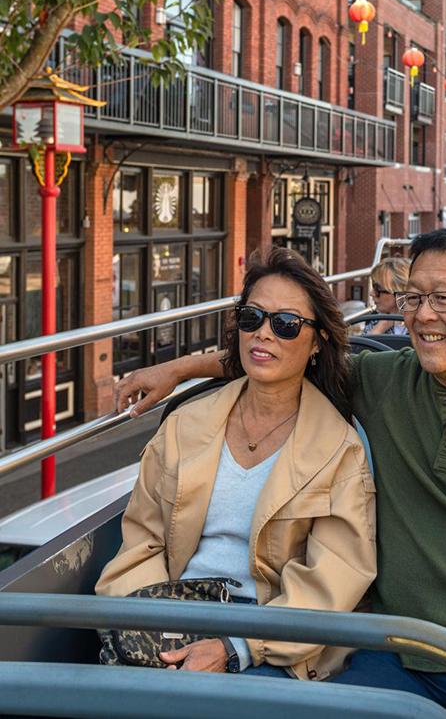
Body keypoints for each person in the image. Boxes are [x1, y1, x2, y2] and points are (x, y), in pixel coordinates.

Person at [116, 230, 446, 717]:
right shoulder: (385, 380)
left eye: (444, 298)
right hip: (399, 653)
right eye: (413, 297)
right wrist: (178, 370)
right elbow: (278, 350)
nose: (422, 313)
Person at [97, 247, 376, 680]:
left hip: (270, 640)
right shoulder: (185, 426)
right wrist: (159, 629)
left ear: (318, 341)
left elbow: (331, 581)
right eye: (252, 318)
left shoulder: (340, 451)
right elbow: (141, 542)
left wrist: (236, 648)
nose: (264, 334)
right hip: (174, 615)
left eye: (285, 324)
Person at [363, 257, 410, 336]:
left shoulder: (421, 324)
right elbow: (361, 348)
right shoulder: (376, 320)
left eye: (378, 289)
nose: (372, 293)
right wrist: (380, 327)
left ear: (400, 292)